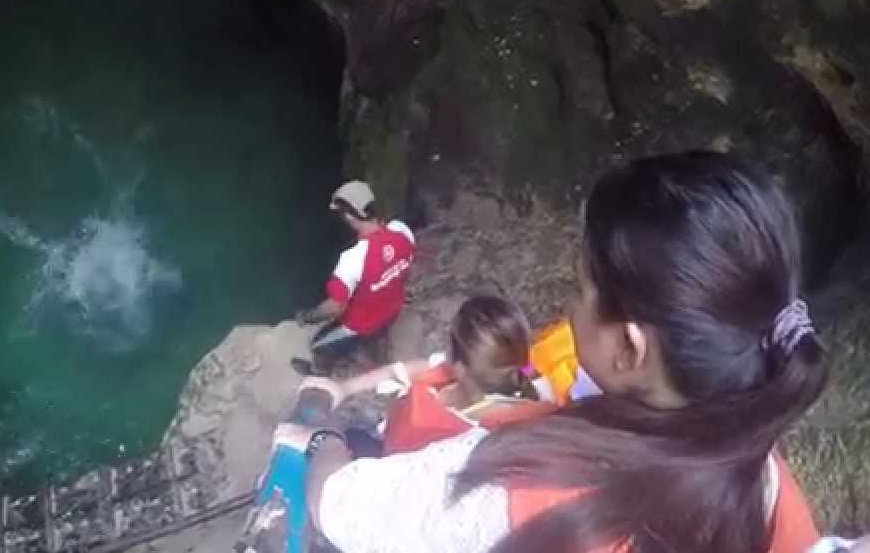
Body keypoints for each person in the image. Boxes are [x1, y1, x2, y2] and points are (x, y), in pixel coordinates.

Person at [280, 151, 827, 553]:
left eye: (580, 286)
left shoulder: (515, 485)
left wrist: (318, 437)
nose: (569, 306)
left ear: (629, 346)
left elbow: (340, 504)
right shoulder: (766, 481)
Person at [333, 295, 554, 457]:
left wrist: (344, 389)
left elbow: (399, 373)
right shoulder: (539, 396)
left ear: (458, 366)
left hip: (396, 458)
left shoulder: (460, 430)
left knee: (350, 438)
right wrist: (345, 388)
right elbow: (396, 371)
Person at [291, 180, 415, 376]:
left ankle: (319, 372)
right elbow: (403, 266)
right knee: (377, 325)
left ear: (349, 215)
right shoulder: (402, 231)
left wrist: (308, 316)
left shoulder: (352, 259)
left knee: (318, 345)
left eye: (341, 213)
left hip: (362, 324)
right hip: (393, 308)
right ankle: (377, 345)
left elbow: (335, 307)